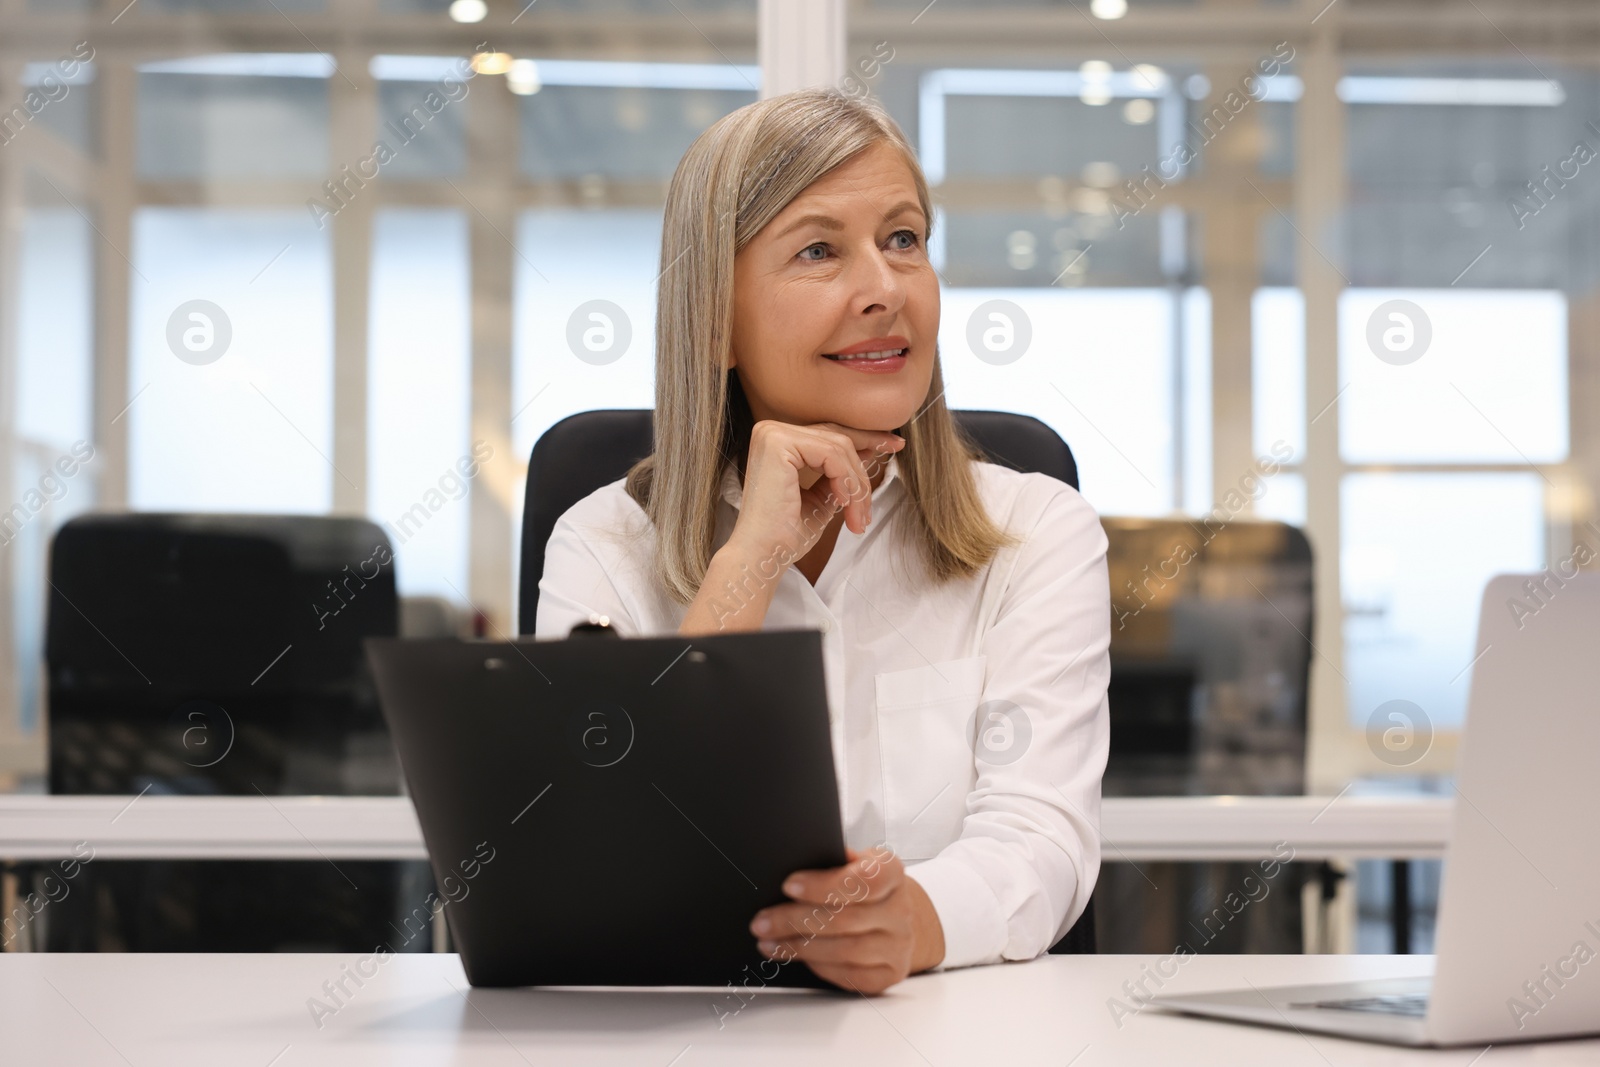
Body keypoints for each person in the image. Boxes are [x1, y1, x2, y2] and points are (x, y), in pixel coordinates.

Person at [535, 86, 1110, 995]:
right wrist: (747, 564)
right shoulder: (602, 541)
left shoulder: (1038, 531)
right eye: (818, 250)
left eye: (903, 240)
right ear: (714, 318)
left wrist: (910, 920)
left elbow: (1042, 839)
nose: (884, 290)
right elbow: (607, 855)